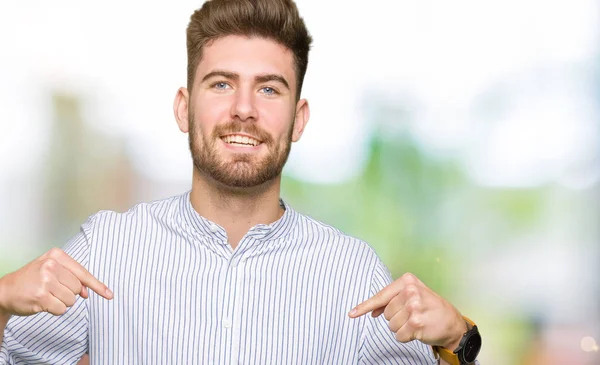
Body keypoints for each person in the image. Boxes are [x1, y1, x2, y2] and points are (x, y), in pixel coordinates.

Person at [0, 0, 482, 364]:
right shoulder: (107, 249)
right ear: (183, 109)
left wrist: (458, 337)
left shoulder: (352, 274)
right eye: (222, 83)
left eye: (269, 88)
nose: (244, 109)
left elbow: (451, 350)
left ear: (299, 119)